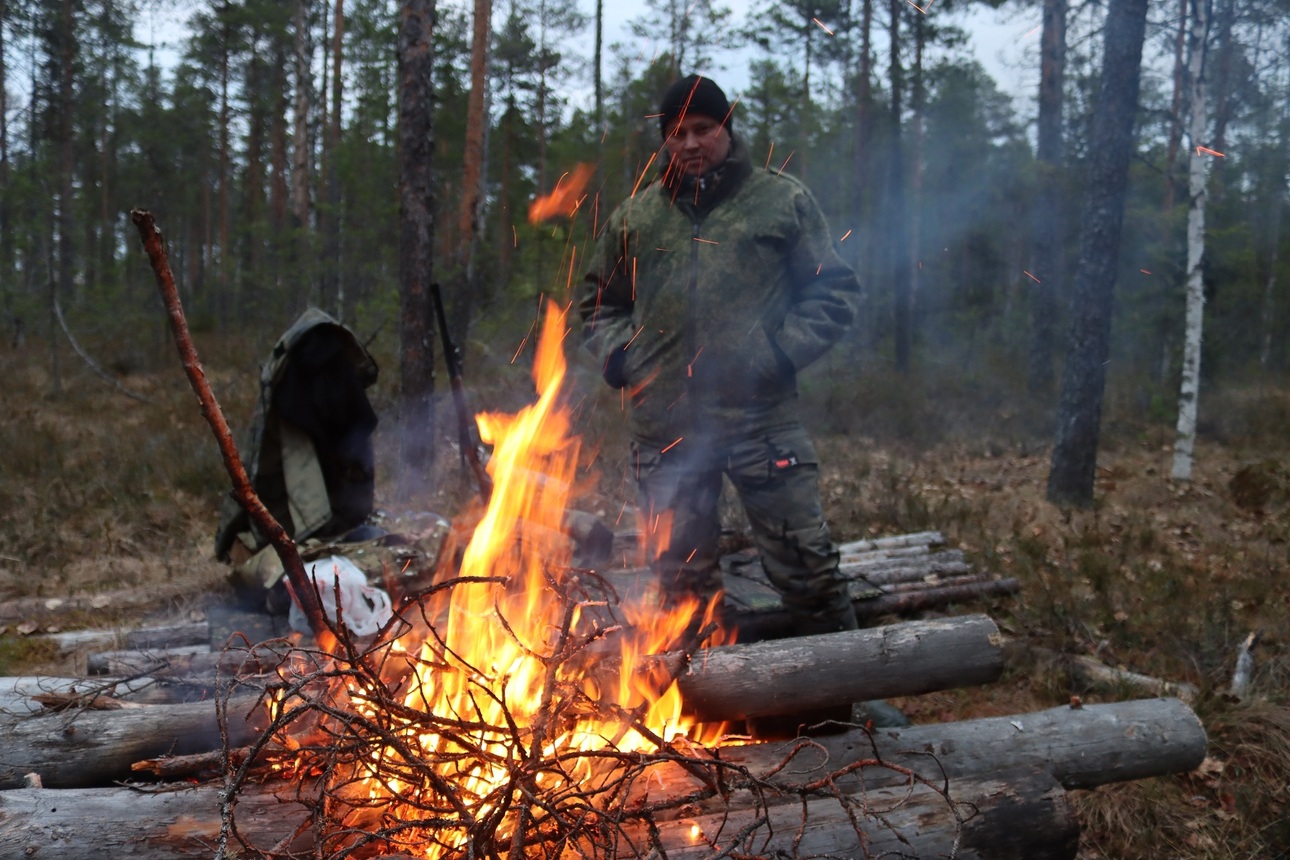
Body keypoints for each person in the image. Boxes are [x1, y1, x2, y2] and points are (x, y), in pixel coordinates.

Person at [578, 73, 876, 640]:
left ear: (726, 129)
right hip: (664, 434)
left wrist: (776, 355)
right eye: (677, 133)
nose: (690, 143)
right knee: (679, 587)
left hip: (760, 424)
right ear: (664, 141)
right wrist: (621, 357)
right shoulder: (635, 218)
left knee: (808, 570)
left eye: (703, 128)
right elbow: (598, 302)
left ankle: (847, 704)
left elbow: (832, 291)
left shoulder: (780, 200)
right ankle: (696, 712)